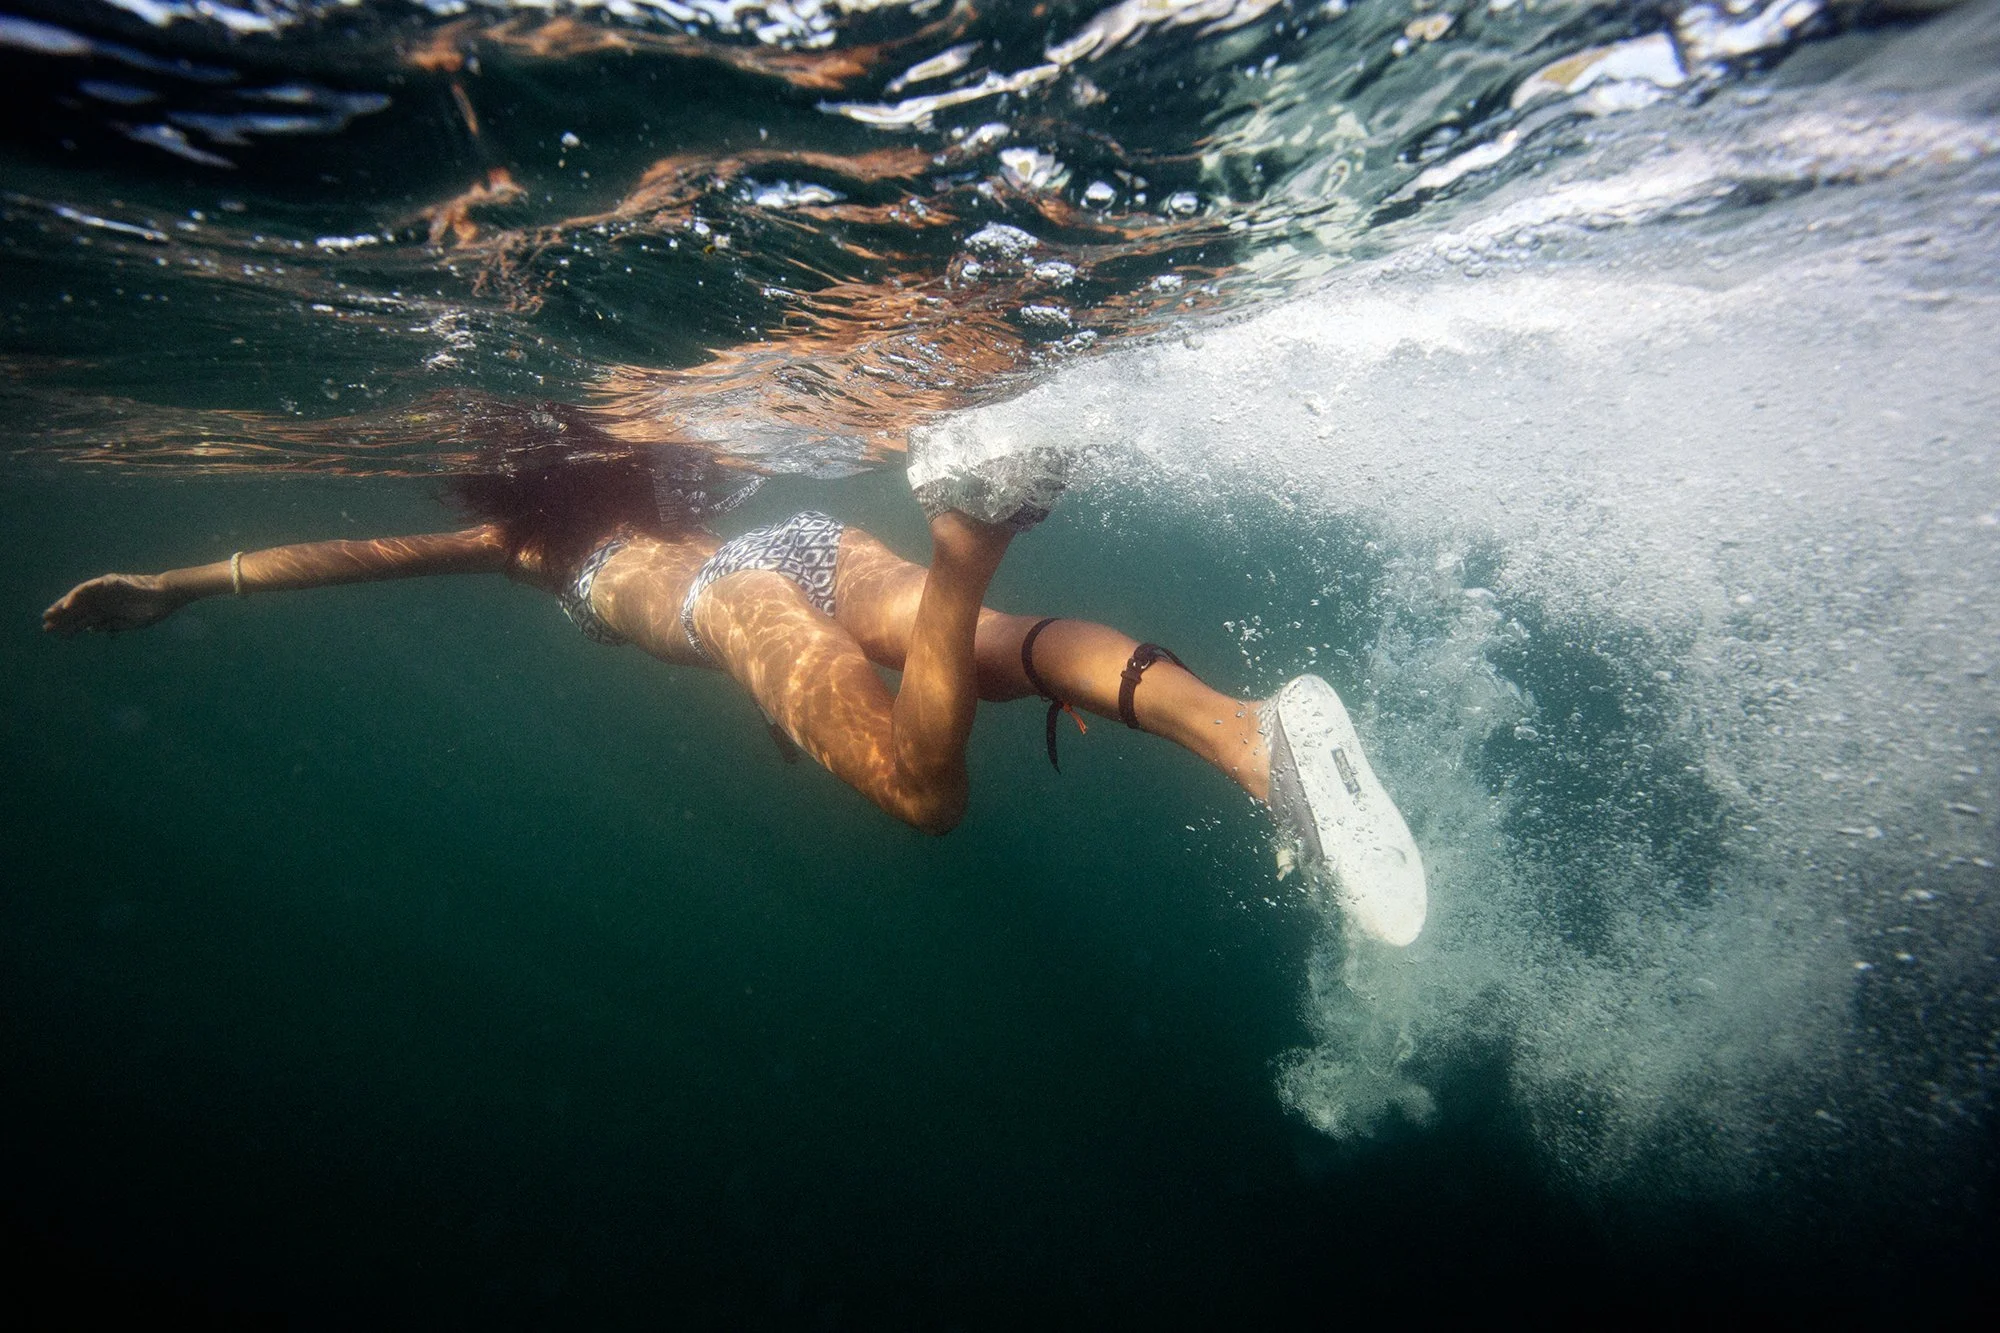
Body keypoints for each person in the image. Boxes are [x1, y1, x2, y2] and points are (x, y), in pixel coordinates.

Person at [41, 403, 1427, 944]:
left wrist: (176, 586)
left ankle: (968, 534)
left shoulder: (521, 542)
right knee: (1002, 661)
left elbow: (353, 555)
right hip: (793, 545)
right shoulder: (666, 461)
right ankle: (1252, 737)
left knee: (922, 791)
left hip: (727, 600)